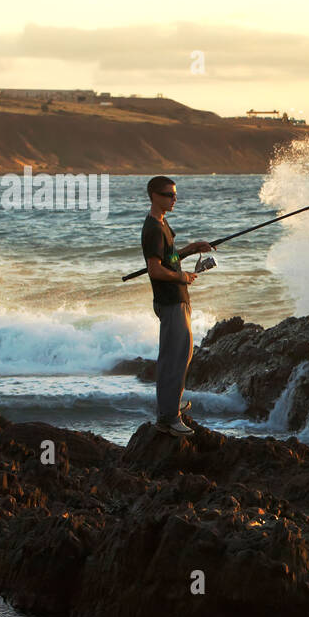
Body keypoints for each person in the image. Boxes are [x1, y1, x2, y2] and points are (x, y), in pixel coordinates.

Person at [141, 175, 212, 435]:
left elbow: (168, 257)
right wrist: (182, 277)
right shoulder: (153, 229)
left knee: (180, 354)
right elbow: (155, 270)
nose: (174, 199)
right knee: (175, 357)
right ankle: (169, 417)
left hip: (176, 299)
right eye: (169, 195)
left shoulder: (161, 223)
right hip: (171, 300)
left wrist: (192, 249)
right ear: (154, 196)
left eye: (175, 194)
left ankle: (170, 403)